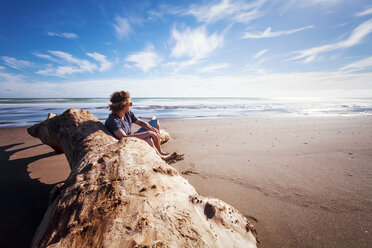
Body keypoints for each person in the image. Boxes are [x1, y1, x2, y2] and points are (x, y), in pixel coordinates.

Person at [105, 91, 176, 161]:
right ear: (123, 105)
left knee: (155, 123)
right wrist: (148, 133)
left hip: (130, 136)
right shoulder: (113, 120)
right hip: (124, 142)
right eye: (130, 104)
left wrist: (150, 128)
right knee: (147, 139)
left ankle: (160, 151)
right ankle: (162, 157)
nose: (131, 106)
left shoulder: (127, 113)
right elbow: (123, 137)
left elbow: (139, 122)